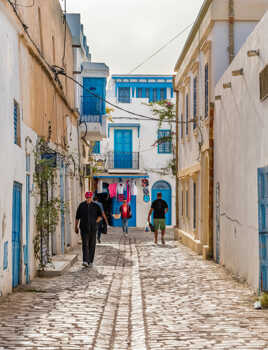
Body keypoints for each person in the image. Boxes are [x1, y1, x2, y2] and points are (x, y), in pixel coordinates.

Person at [75, 191, 102, 267]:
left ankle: (90, 261)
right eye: (87, 197)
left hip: (93, 228)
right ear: (85, 197)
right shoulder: (81, 205)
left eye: (89, 197)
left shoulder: (96, 206)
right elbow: (77, 217)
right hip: (83, 228)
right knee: (85, 244)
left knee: (92, 245)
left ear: (92, 197)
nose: (88, 199)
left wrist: (95, 222)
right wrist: (75, 227)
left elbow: (100, 216)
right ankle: (85, 261)